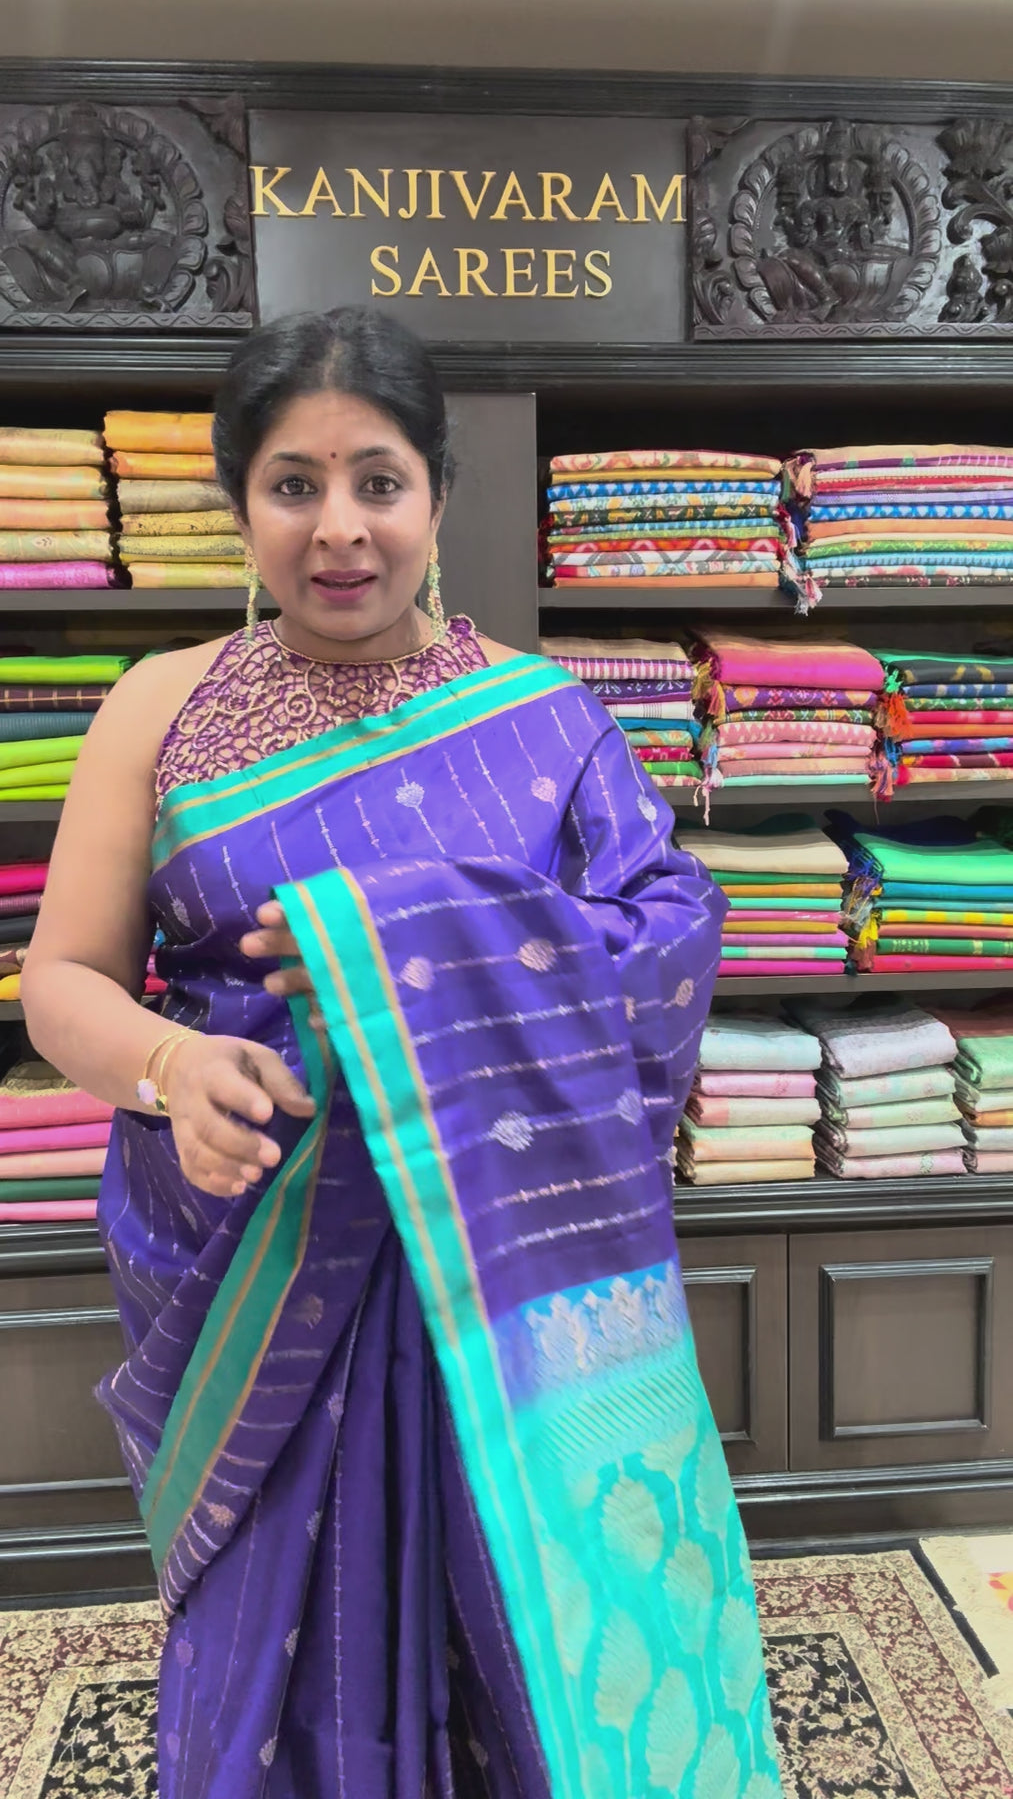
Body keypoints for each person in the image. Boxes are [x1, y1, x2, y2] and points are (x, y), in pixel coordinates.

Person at [22, 307, 781, 1799]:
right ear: (239, 502)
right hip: (260, 1257)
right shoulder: (158, 711)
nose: (339, 530)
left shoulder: (543, 719)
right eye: (292, 486)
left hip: (498, 1273)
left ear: (435, 493)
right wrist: (173, 1071)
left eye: (378, 481)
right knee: (271, 1653)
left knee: (528, 1636)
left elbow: (669, 943)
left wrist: (411, 937)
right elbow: (63, 982)